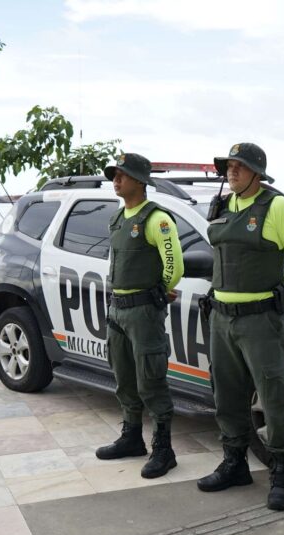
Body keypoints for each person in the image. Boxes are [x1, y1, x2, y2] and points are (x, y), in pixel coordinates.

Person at [197, 142, 284, 511]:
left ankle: (282, 472)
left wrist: (279, 292)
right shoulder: (222, 206)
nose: (231, 172)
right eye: (228, 166)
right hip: (221, 318)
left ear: (256, 173)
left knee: (273, 396)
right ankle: (235, 463)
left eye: (239, 167)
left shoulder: (277, 207)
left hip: (260, 320)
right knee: (227, 394)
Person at [94, 153, 184, 479]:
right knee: (124, 377)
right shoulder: (118, 218)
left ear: (140, 181)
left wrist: (161, 288)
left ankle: (164, 449)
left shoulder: (156, 219)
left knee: (151, 380)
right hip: (117, 309)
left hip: (144, 311)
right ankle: (132, 437)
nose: (116, 180)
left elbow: (175, 264)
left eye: (123, 175)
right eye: (114, 175)